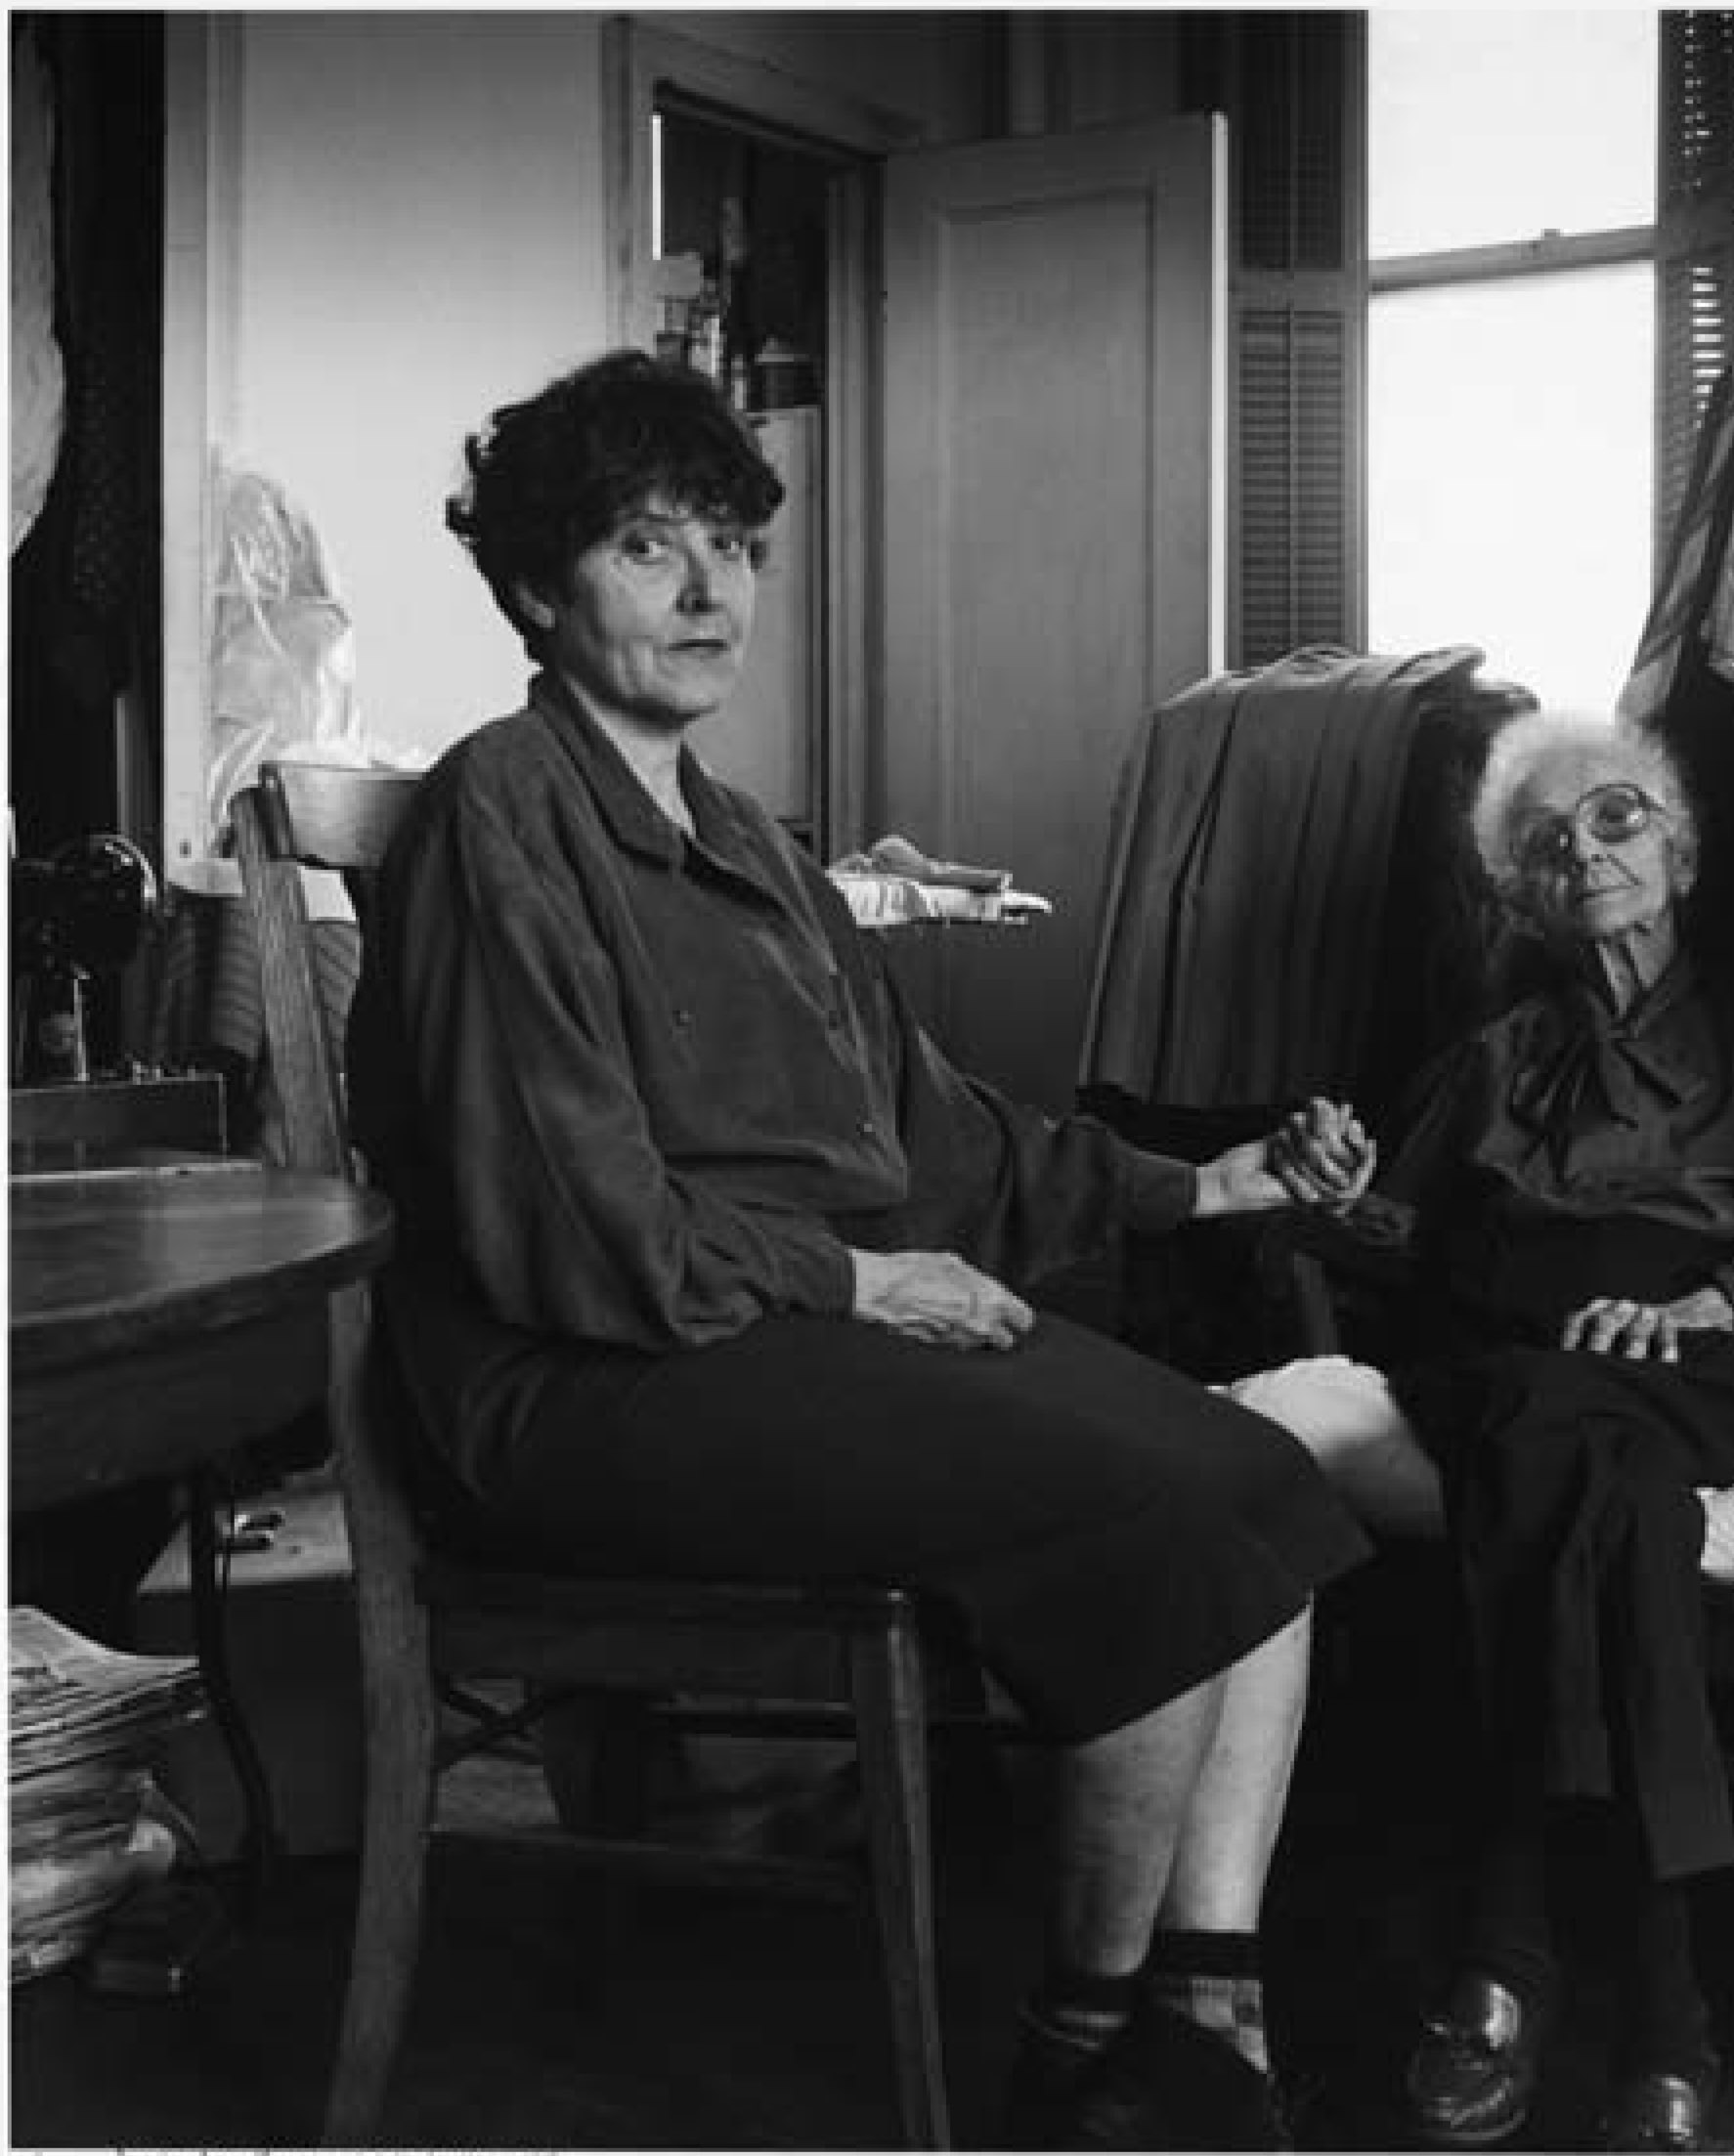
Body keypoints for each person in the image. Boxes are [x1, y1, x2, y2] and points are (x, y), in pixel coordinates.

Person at [344, 350, 1378, 2151]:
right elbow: (570, 1214)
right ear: (533, 584)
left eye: (732, 545)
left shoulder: (754, 844)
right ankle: (1086, 2047)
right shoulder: (499, 808)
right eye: (647, 548)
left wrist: (1214, 1186)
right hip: (581, 1377)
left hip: (782, 1335)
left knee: (1258, 1478)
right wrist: (852, 1281)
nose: (708, 590)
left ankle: (1194, 2026)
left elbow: (939, 1135)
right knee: (1149, 1510)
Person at [1228, 706, 1734, 2151]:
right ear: (1522, 894)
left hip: (1717, 1365)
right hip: (1530, 1367)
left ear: (1683, 851)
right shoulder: (1498, 1056)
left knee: (1554, 1426)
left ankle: (1508, 1948)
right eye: (1548, 842)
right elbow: (1396, 1238)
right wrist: (1327, 1184)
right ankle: (1667, 2008)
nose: (1583, 853)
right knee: (1592, 1463)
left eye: (1617, 819)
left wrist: (1706, 1308)